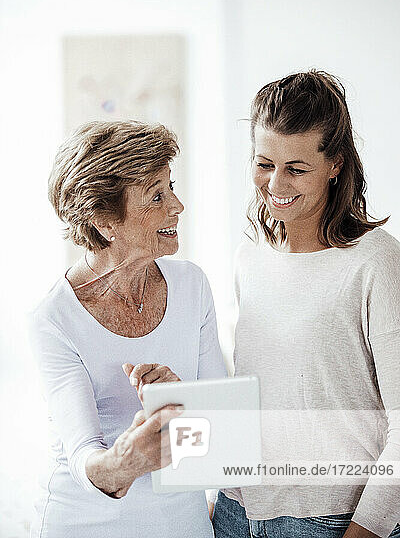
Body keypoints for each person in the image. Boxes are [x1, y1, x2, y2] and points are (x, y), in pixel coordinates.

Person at [212, 70, 400, 538]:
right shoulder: (249, 256)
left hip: (332, 517)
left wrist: (366, 529)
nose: (276, 183)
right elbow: (258, 392)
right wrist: (221, 498)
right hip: (238, 510)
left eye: (296, 168)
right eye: (264, 163)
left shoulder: (376, 261)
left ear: (335, 164)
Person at [28, 120, 227, 538]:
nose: (177, 205)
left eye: (171, 186)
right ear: (105, 221)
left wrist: (181, 402)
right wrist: (129, 459)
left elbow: (227, 438)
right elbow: (85, 458)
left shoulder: (192, 286)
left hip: (182, 526)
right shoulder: (55, 317)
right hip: (85, 525)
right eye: (157, 195)